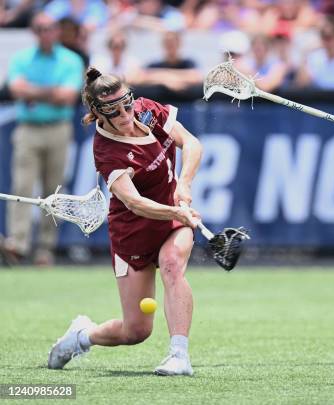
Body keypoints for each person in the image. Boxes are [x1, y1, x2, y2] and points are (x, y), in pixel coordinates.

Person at [47, 67, 203, 376]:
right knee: (136, 331)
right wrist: (177, 212)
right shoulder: (107, 150)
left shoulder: (146, 111)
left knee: (172, 263)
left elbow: (192, 143)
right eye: (113, 110)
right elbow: (134, 202)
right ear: (97, 112)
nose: (125, 114)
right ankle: (82, 335)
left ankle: (179, 356)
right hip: (133, 229)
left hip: (172, 216)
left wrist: (183, 184)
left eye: (127, 104)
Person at [3, 12, 84, 266]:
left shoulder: (70, 60)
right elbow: (15, 88)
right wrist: (50, 92)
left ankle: (45, 249)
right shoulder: (22, 58)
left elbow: (68, 95)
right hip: (28, 127)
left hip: (58, 127)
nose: (44, 33)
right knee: (22, 187)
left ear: (57, 31)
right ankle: (17, 244)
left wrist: (33, 92)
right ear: (33, 31)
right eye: (39, 28)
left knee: (54, 192)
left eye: (49, 28)